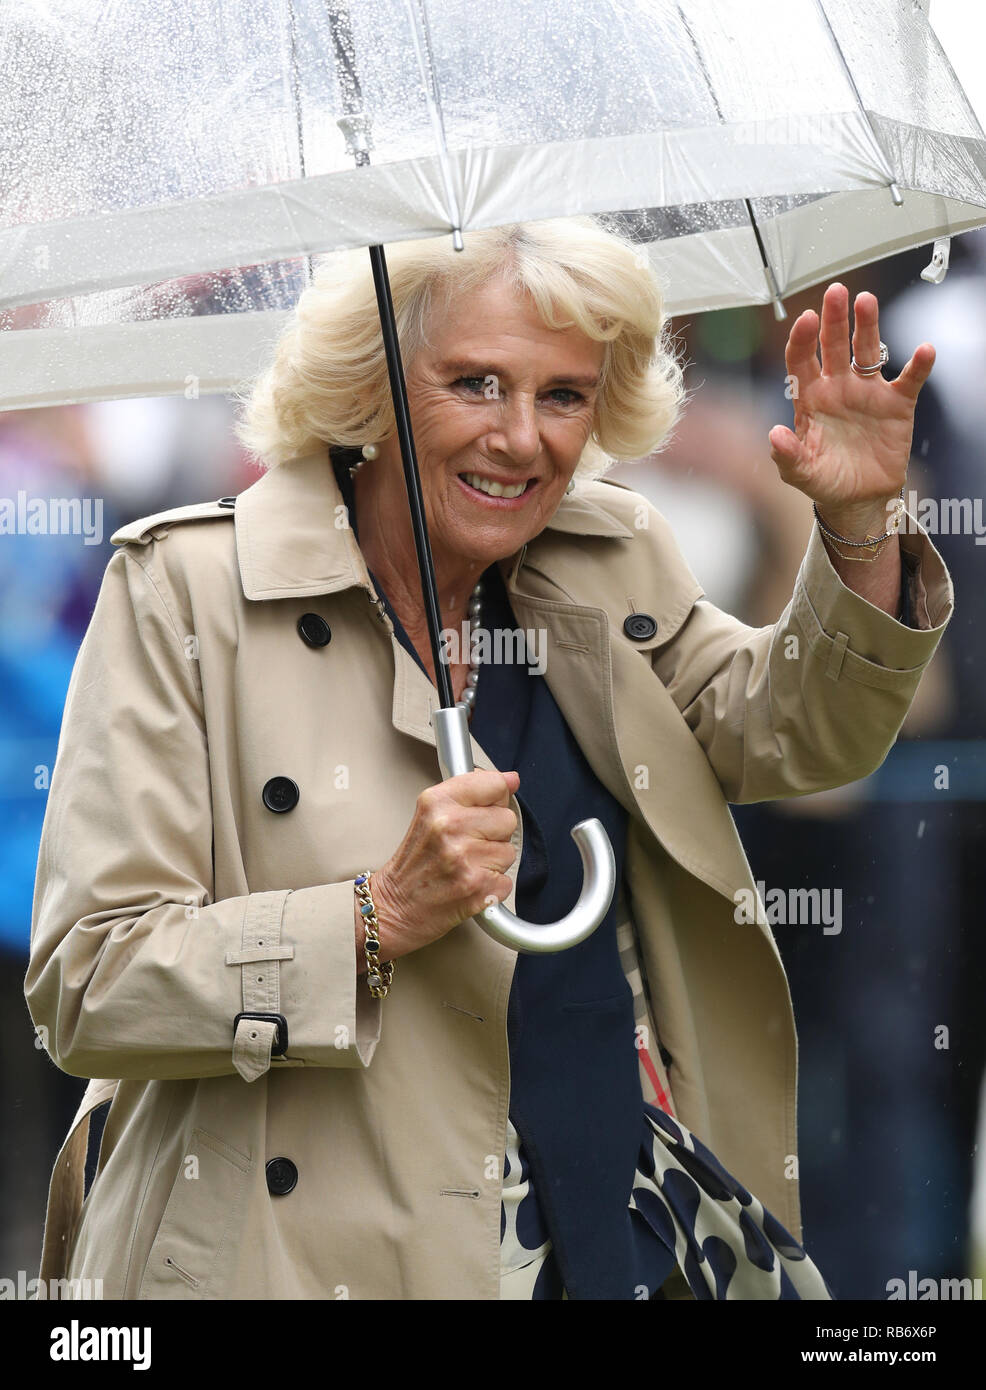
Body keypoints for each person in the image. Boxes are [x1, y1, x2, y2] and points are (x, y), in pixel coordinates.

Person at [26, 217, 952, 1300]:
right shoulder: (183, 589)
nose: (521, 438)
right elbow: (88, 981)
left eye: (561, 394)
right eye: (474, 384)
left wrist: (853, 527)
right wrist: (372, 918)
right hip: (293, 1263)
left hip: (593, 1236)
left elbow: (795, 734)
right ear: (371, 388)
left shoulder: (608, 556)